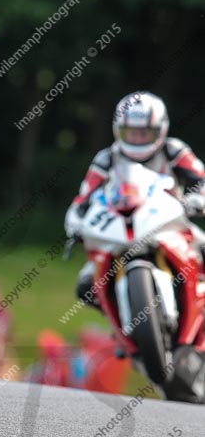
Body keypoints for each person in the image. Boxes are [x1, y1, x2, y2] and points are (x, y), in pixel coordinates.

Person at [65, 91, 205, 305]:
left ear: (160, 130)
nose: (138, 139)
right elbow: (83, 198)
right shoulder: (106, 159)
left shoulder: (173, 150)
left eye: (144, 133)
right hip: (119, 230)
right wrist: (75, 223)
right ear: (118, 131)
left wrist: (197, 199)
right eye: (131, 133)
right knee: (86, 287)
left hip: (172, 226)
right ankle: (122, 323)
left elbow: (201, 179)